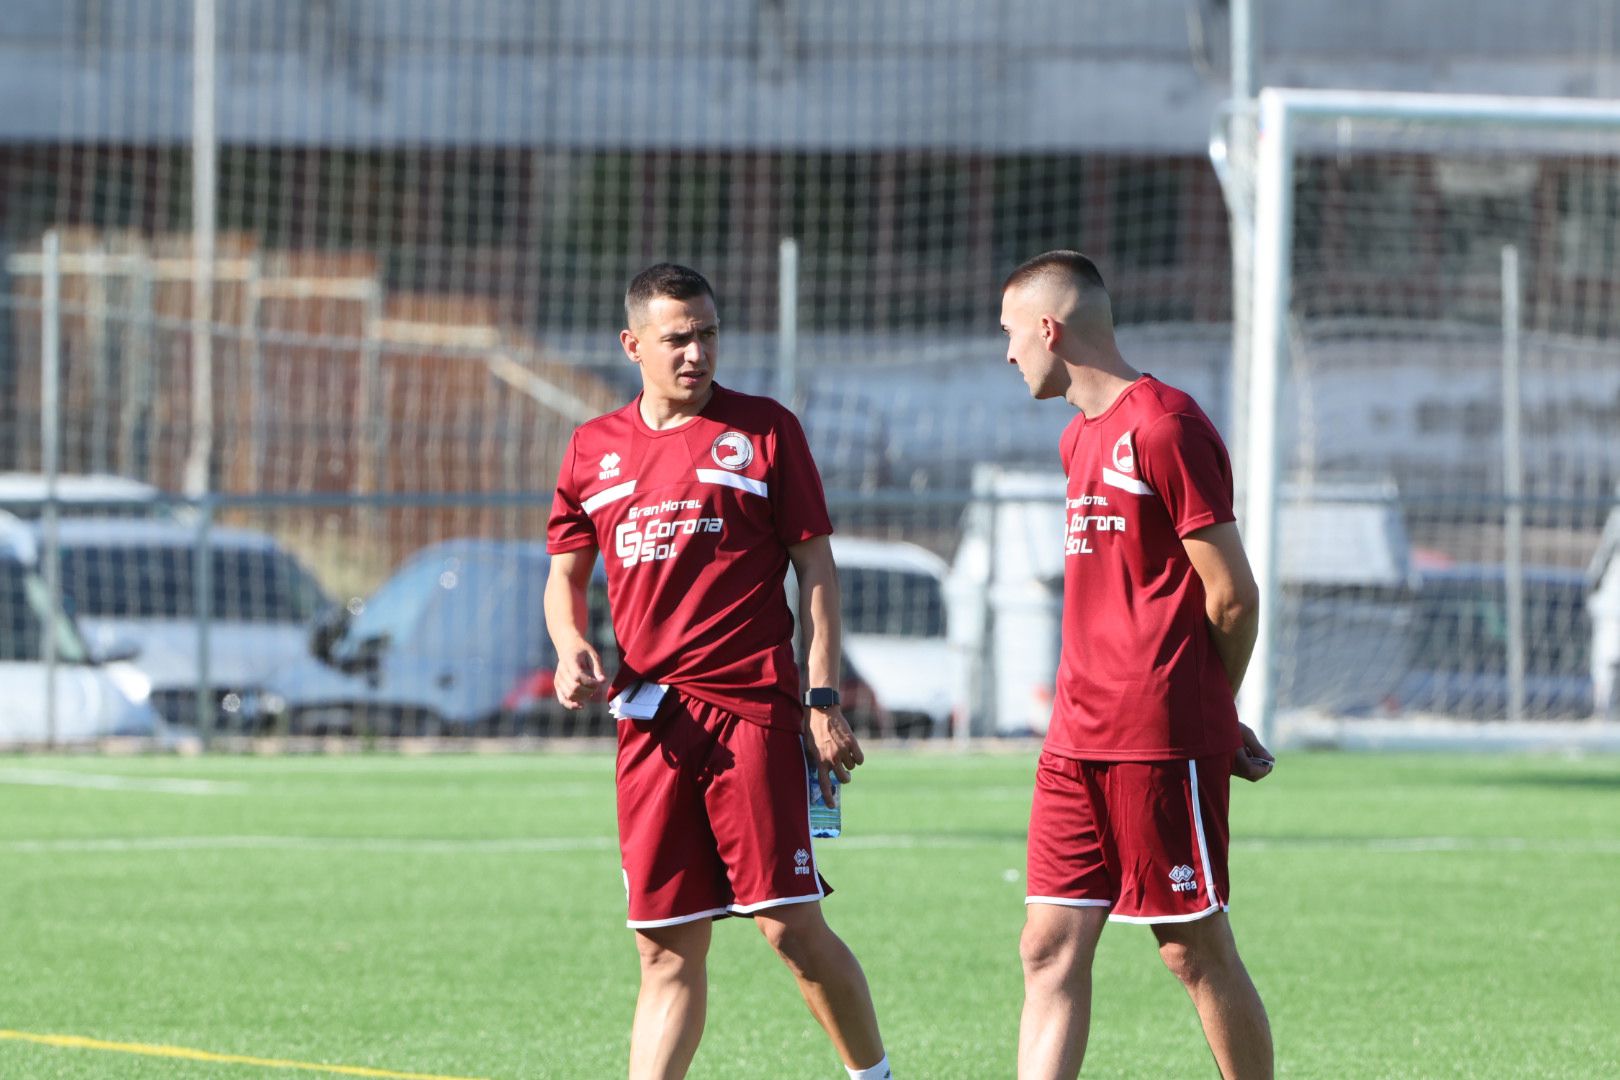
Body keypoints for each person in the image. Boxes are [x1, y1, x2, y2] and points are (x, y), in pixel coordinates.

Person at [543, 263, 892, 1080]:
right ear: (632, 345)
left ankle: (873, 1078)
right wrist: (569, 647)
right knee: (664, 949)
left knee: (789, 927)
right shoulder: (592, 448)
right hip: (651, 724)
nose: (696, 353)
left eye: (707, 334)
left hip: (753, 714)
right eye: (677, 338)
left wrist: (821, 698)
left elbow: (817, 569)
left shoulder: (765, 430)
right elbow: (563, 574)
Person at [999, 250, 1276, 1079]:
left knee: (1191, 948)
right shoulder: (1076, 438)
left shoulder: (1166, 426)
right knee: (1047, 945)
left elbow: (1233, 596)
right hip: (1072, 738)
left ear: (1049, 329)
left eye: (1011, 334)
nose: (1008, 353)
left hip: (1156, 737)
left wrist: (1212, 710)